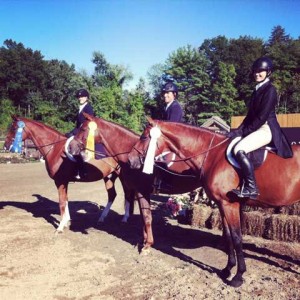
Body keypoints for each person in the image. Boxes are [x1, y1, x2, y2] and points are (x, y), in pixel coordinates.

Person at [227, 57, 293, 200]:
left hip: (266, 128)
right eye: (255, 71)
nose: (257, 74)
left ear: (268, 72)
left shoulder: (270, 90)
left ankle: (251, 188)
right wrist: (237, 131)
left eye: (261, 71)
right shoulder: (256, 90)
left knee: (239, 149)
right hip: (256, 126)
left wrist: (244, 132)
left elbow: (261, 117)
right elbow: (250, 116)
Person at [66, 88, 95, 179]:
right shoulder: (80, 108)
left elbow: (86, 123)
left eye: (82, 97)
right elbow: (78, 124)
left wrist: (74, 132)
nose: (80, 98)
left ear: (86, 98)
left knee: (75, 146)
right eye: (79, 97)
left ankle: (82, 171)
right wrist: (71, 132)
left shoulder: (88, 108)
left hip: (86, 132)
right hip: (79, 131)